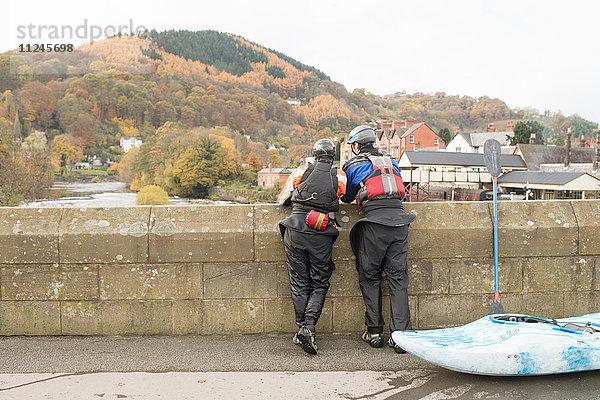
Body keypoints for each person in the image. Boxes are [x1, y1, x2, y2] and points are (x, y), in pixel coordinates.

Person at [341, 125, 416, 354]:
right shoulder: (391, 161)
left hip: (374, 224)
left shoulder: (354, 165)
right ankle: (400, 336)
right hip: (399, 221)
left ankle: (374, 332)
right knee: (398, 280)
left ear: (357, 145)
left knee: (370, 277)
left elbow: (347, 196)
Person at [277, 139, 347, 355]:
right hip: (320, 231)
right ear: (332, 155)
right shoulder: (340, 175)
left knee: (299, 282)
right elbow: (341, 197)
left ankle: (303, 329)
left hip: (295, 229)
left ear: (315, 155)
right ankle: (309, 326)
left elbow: (282, 199)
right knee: (319, 282)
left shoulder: (301, 171)